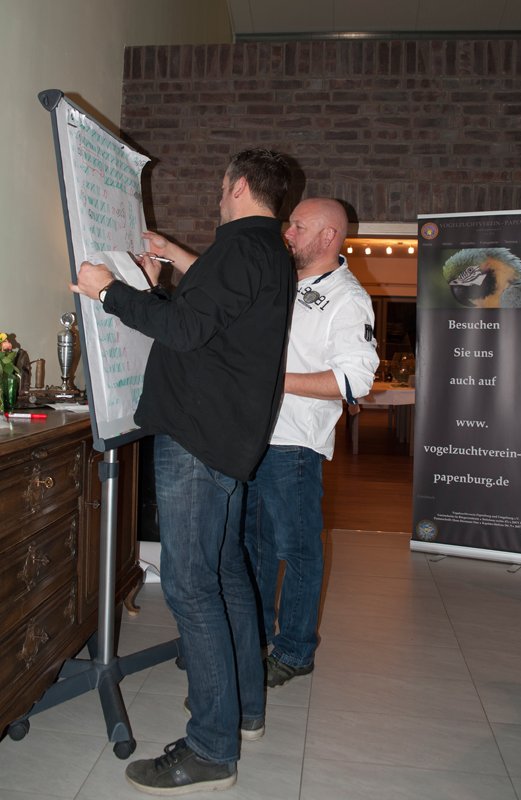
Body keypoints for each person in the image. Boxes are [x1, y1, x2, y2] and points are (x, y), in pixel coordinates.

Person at [71, 148, 294, 795]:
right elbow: (212, 325)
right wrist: (159, 278)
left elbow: (187, 330)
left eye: (222, 187)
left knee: (193, 588)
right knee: (226, 577)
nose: (218, 197)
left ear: (239, 185)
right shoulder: (267, 252)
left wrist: (107, 290)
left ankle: (210, 750)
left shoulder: (238, 248)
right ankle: (244, 712)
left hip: (197, 440)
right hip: (224, 440)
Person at [243, 197, 379, 687]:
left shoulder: (349, 299)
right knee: (255, 548)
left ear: (328, 237)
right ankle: (254, 640)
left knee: (298, 551)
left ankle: (295, 652)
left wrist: (274, 381)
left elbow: (354, 381)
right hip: (256, 438)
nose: (288, 232)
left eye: (298, 226)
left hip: (295, 447)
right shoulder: (285, 280)